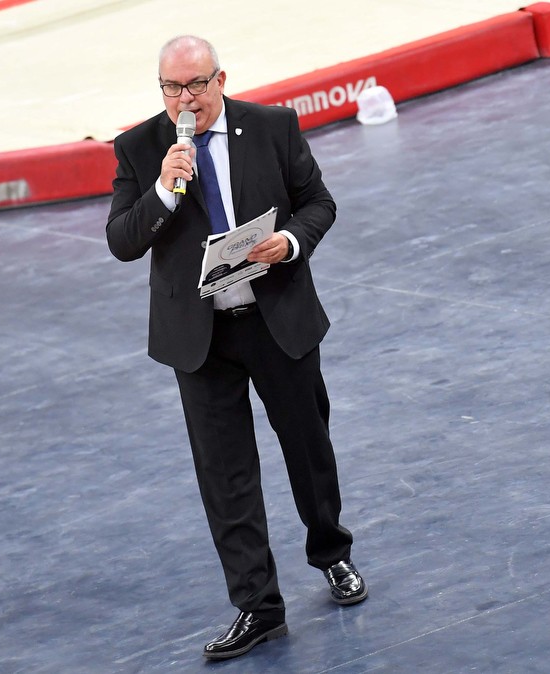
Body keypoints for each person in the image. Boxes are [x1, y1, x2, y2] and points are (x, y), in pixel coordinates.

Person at [105, 35, 366, 660]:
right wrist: (163, 191)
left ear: (221, 79)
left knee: (308, 447)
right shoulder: (140, 148)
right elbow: (122, 241)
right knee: (225, 475)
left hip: (276, 321)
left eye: (196, 84)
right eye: (172, 88)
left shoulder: (273, 127)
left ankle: (332, 552)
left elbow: (318, 203)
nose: (185, 99)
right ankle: (259, 606)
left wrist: (290, 242)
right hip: (200, 339)